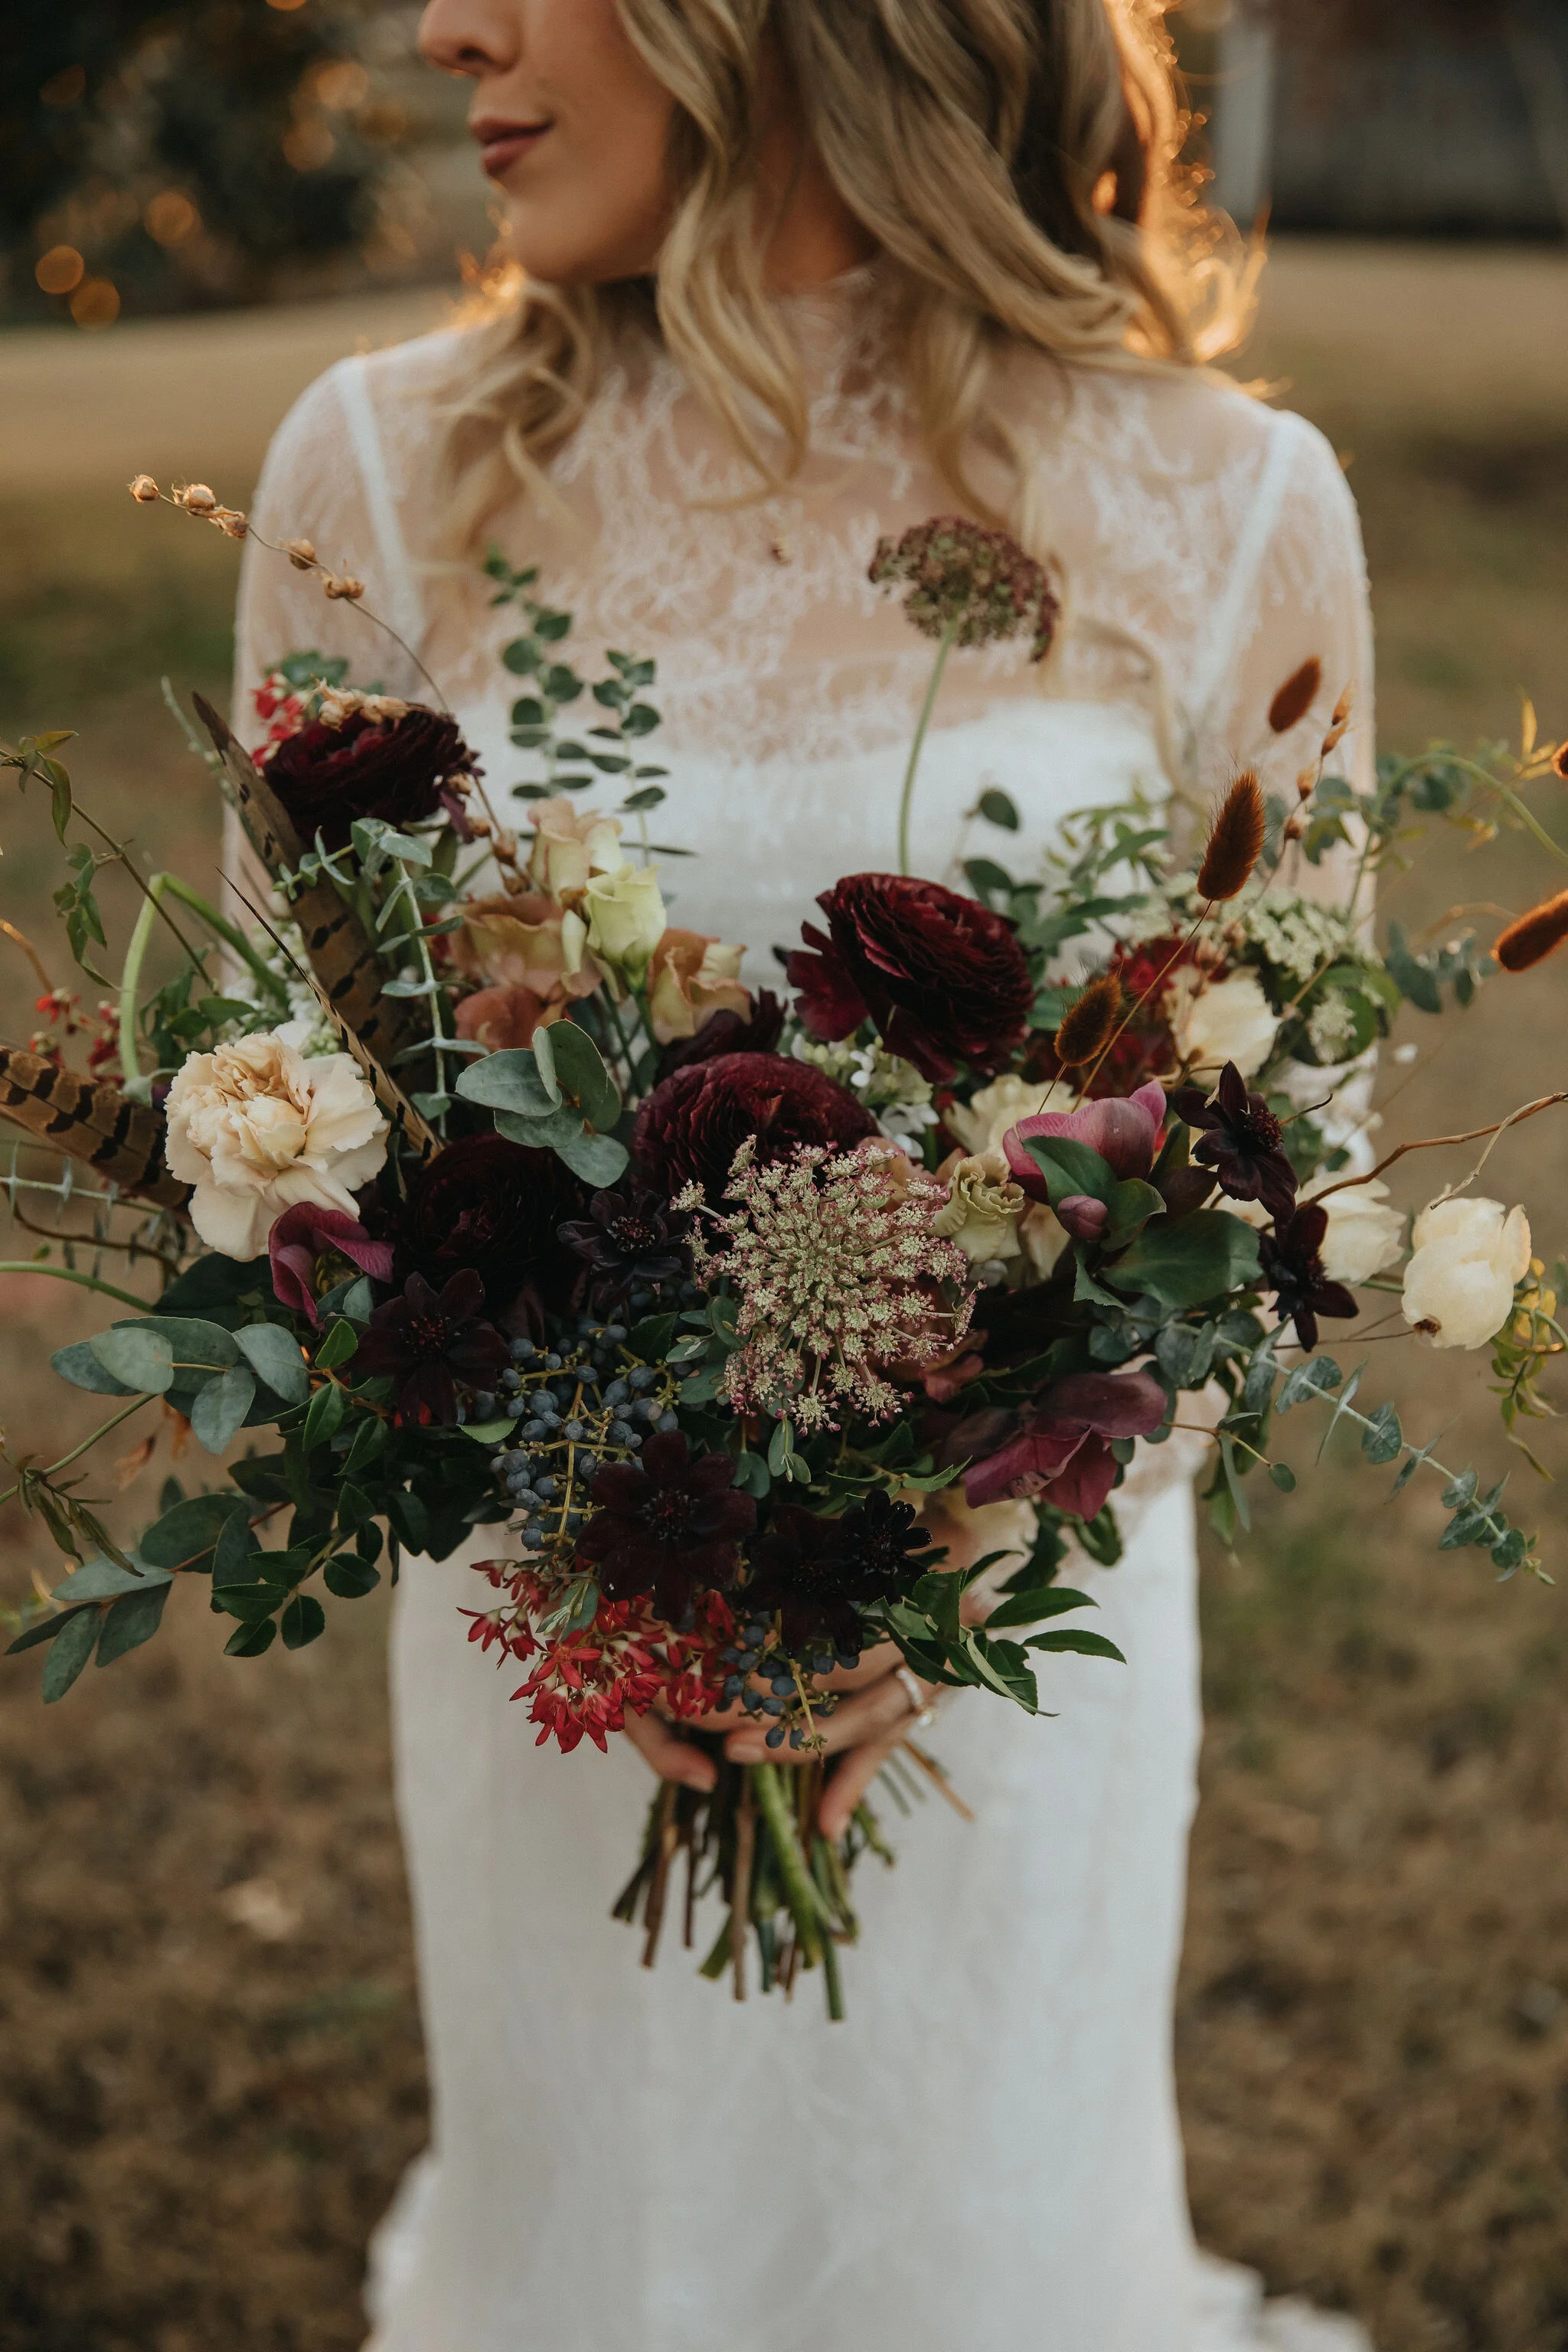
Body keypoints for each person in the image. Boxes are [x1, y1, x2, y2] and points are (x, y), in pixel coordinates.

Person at [232, 5, 1376, 2346]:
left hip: (996, 1663)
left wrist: (955, 1551)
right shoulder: (374, 468)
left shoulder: (1228, 503)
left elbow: (1287, 1179)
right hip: (559, 1640)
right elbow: (287, 1124)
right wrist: (576, 1530)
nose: (444, 24)